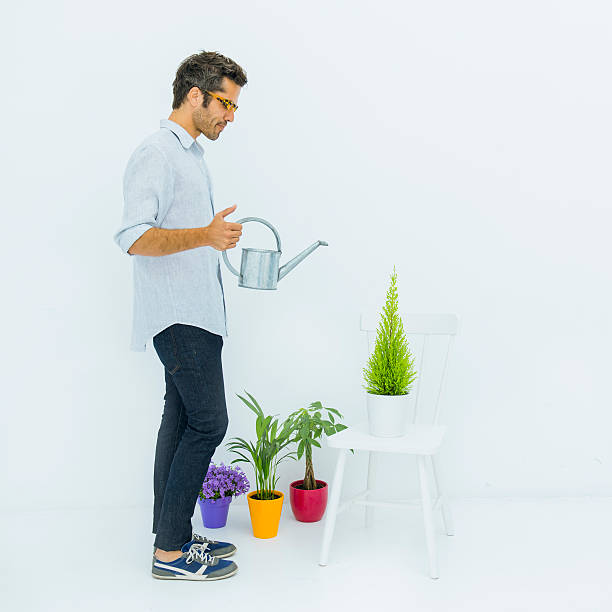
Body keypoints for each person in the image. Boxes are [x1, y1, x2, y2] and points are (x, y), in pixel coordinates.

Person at [113, 50, 247, 581]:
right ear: (195, 94)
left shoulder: (191, 157)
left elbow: (183, 237)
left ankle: (171, 538)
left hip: (197, 313)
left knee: (183, 420)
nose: (230, 116)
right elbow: (135, 237)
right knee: (210, 421)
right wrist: (205, 236)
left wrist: (214, 240)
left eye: (234, 108)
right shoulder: (157, 153)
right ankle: (170, 553)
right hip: (178, 317)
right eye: (225, 103)